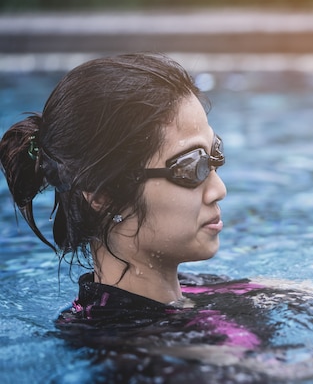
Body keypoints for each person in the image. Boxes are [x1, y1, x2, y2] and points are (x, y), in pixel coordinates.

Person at [0, 53, 278, 349]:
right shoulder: (146, 352)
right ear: (102, 194)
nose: (219, 189)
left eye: (214, 154)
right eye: (190, 166)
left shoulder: (199, 288)